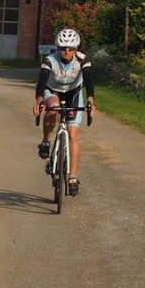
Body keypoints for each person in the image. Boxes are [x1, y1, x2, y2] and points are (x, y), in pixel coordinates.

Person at [35, 28, 95, 195]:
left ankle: (72, 177)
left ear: (76, 49)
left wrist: (91, 99)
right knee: (53, 108)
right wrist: (39, 100)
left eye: (70, 48)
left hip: (73, 93)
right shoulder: (50, 60)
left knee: (73, 134)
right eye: (62, 48)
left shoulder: (83, 60)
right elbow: (42, 81)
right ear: (58, 48)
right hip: (52, 90)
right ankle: (46, 141)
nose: (66, 52)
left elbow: (89, 80)